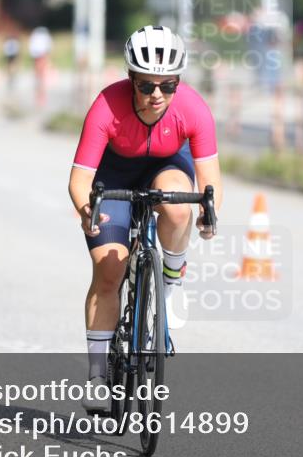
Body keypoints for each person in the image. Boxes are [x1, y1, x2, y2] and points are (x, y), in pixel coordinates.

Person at [67, 25, 222, 412]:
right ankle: (98, 375)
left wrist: (209, 213)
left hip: (167, 166)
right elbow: (80, 179)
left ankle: (172, 277)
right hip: (114, 175)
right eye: (147, 86)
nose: (157, 96)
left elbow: (209, 182)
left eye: (167, 86)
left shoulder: (193, 108)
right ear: (131, 79)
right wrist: (87, 211)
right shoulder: (107, 104)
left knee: (176, 204)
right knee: (108, 270)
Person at [27, 27, 53, 106]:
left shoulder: (37, 37)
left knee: (40, 77)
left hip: (40, 55)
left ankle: (41, 95)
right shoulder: (41, 36)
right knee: (40, 77)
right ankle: (40, 95)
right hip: (40, 55)